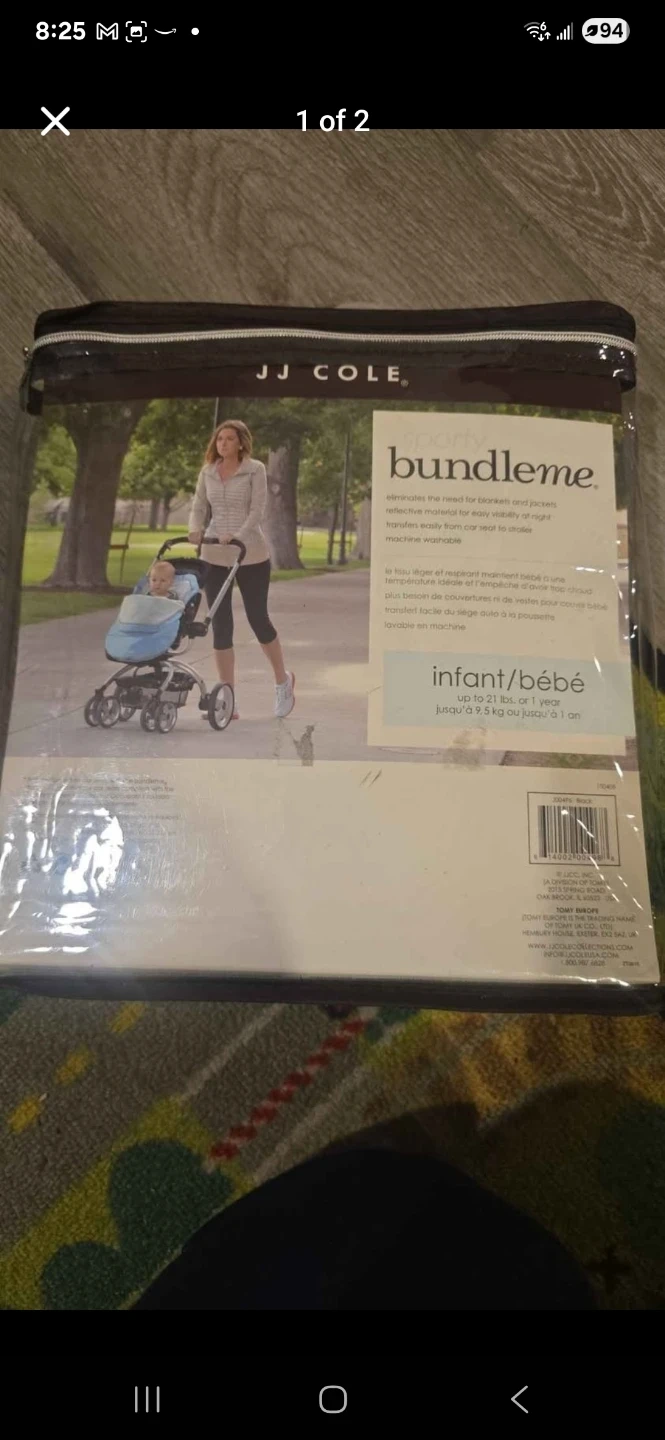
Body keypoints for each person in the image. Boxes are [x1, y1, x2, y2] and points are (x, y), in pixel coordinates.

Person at [188, 420, 295, 719]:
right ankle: (228, 698)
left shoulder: (255, 470)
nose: (223, 443)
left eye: (229, 439)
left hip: (250, 555)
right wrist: (195, 528)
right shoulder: (207, 472)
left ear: (241, 443)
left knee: (258, 619)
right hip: (214, 553)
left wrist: (238, 535)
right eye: (219, 439)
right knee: (220, 625)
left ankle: (282, 681)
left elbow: (257, 511)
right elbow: (198, 506)